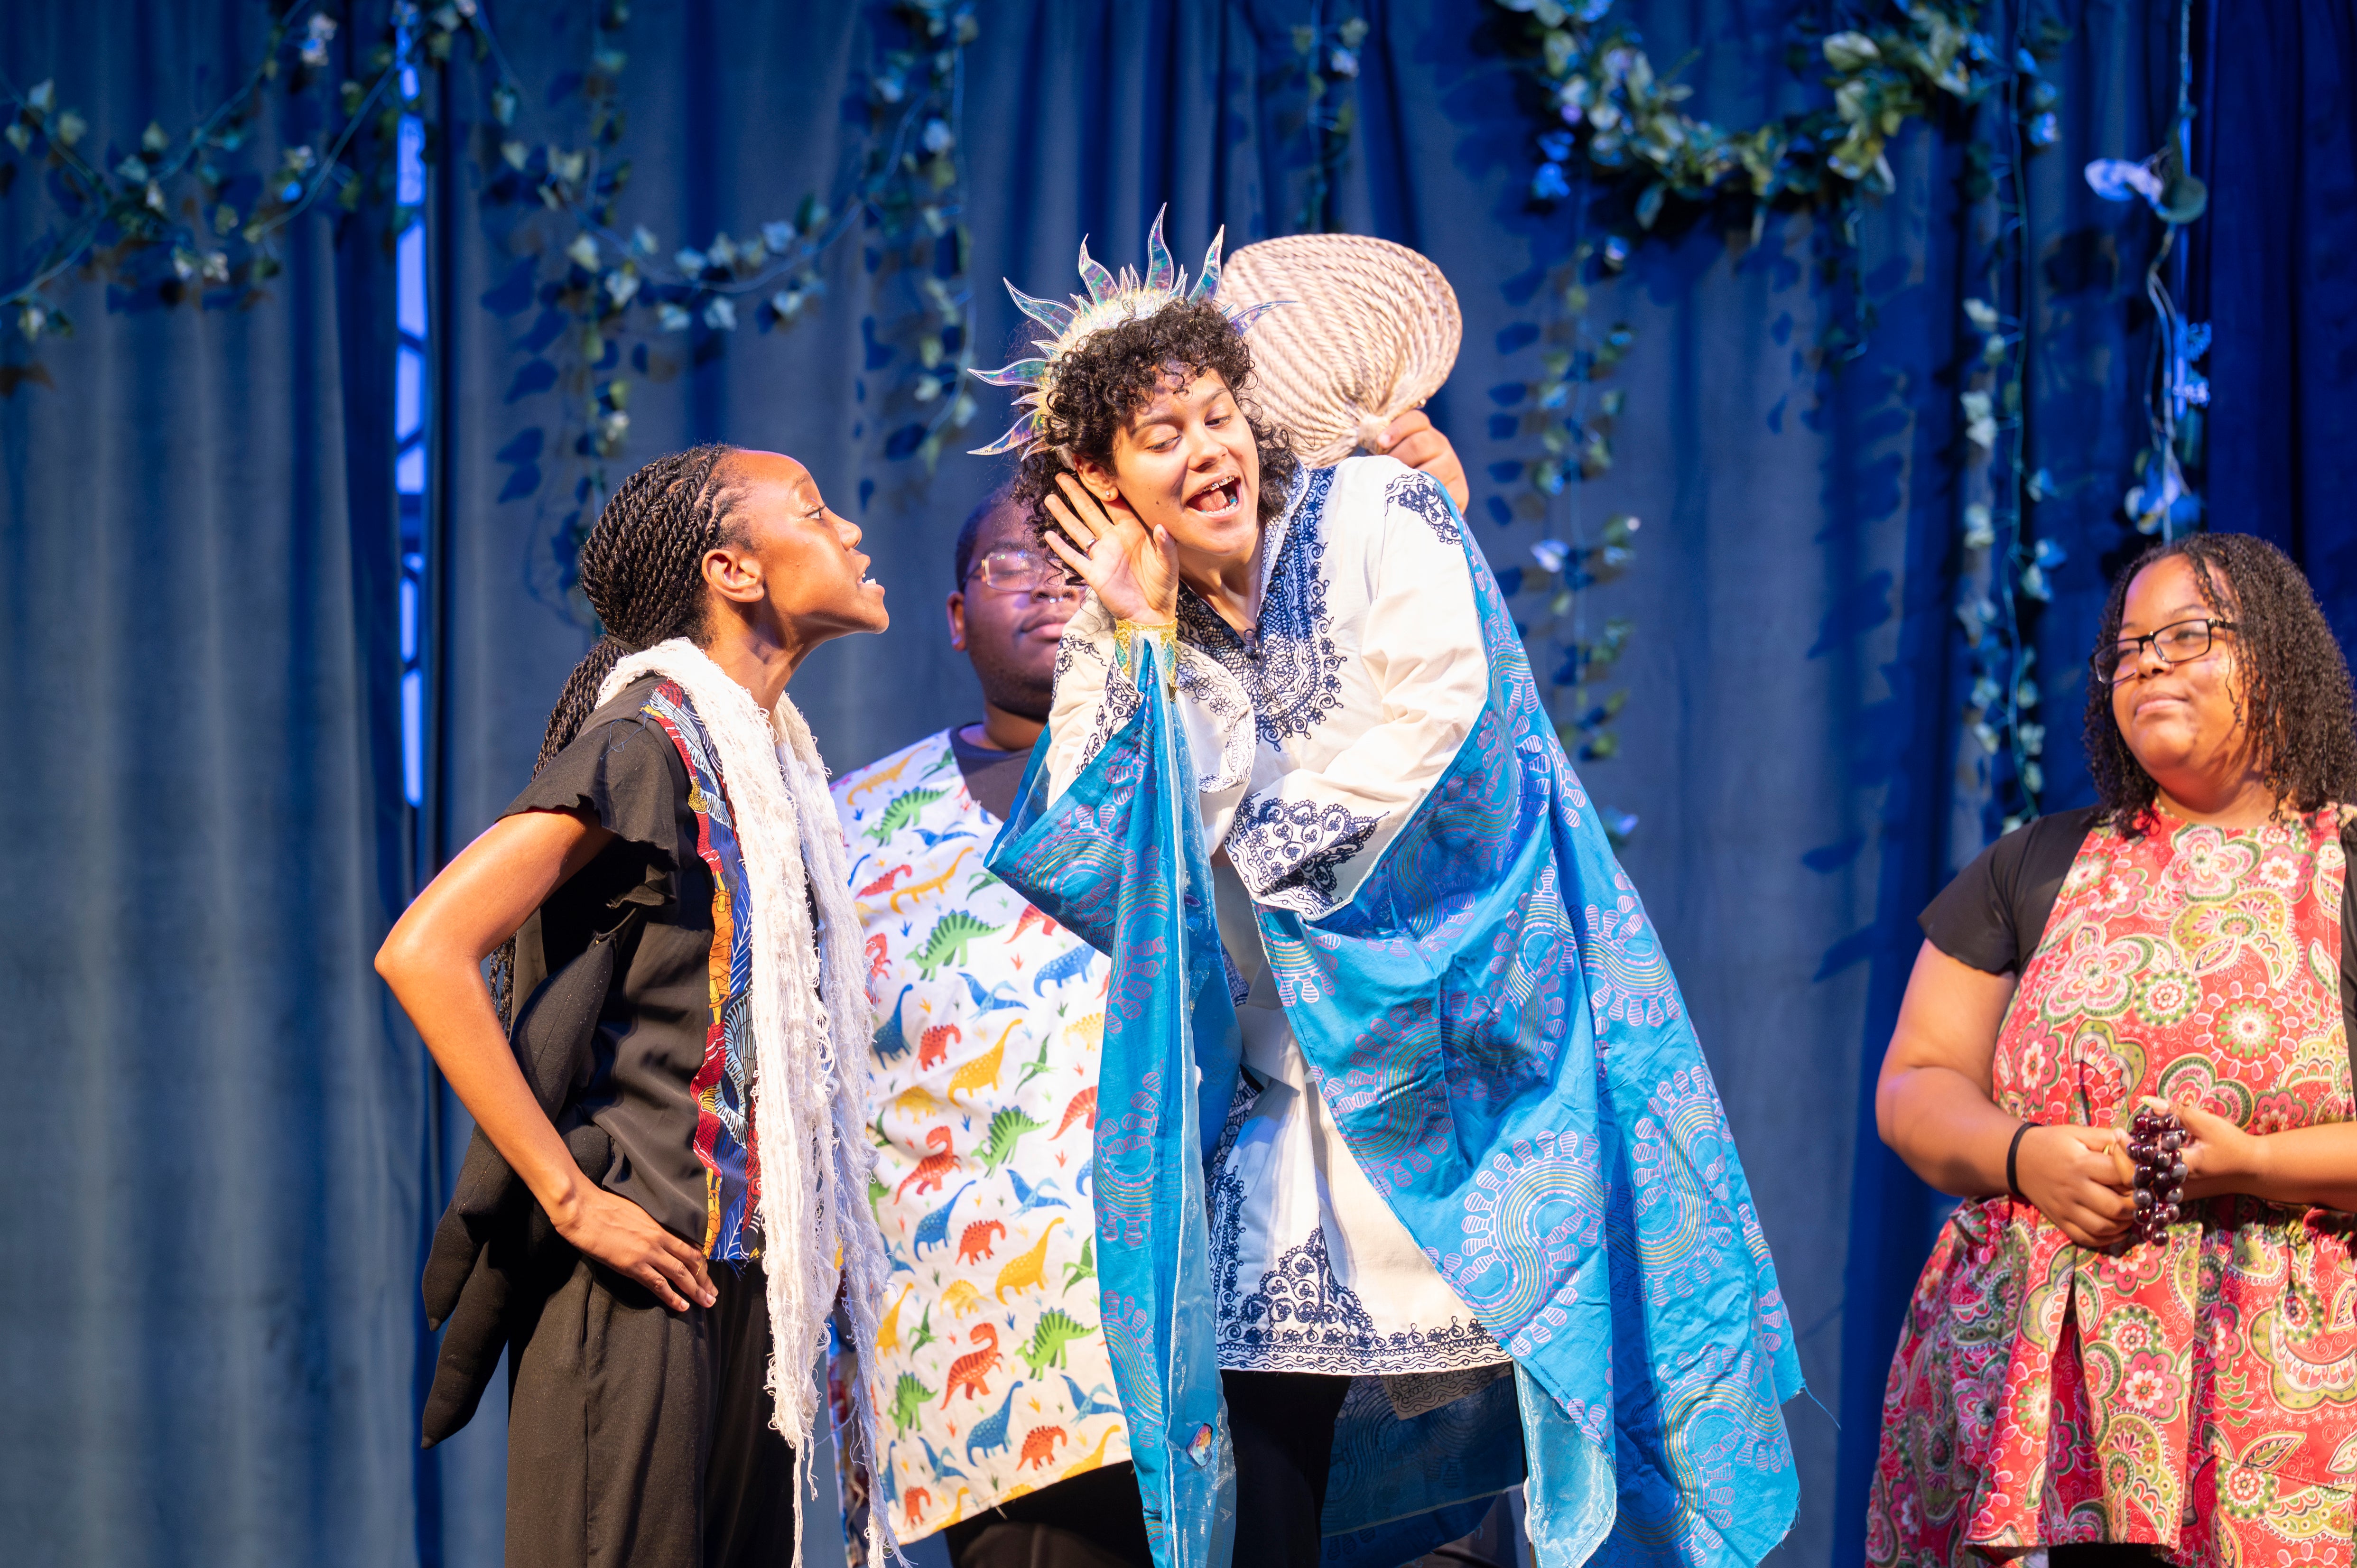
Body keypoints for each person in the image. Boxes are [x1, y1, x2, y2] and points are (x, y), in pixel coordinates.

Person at [971, 217, 1801, 1568]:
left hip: (1475, 1084)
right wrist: (1136, 637)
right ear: (1105, 489)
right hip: (1292, 1109)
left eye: (1218, 414)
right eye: (1164, 437)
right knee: (1270, 1481)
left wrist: (1258, 849)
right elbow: (1099, 850)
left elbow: (1445, 714)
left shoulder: (1373, 510)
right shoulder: (1129, 635)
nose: (1210, 450)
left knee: (1500, 1495)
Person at [830, 408, 1467, 1568]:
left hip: (1244, 1319)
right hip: (1012, 1373)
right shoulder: (854, 821)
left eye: (1074, 548)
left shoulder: (1226, 746)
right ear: (955, 613)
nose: (1049, 580)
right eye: (1009, 559)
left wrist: (1422, 526)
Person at [377, 445, 899, 1568]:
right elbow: (426, 949)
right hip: (634, 1277)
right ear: (734, 570)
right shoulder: (650, 742)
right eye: (812, 512)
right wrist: (570, 1199)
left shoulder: (767, 763)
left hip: (747, 1275)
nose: (851, 533)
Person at [1867, 533, 2357, 1566]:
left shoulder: (2346, 867)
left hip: (2286, 1392)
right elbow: (1918, 1081)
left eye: (2187, 636)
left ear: (2277, 655)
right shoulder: (2036, 866)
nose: (2147, 665)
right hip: (2036, 1396)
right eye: (2128, 649)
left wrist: (2255, 1164)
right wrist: (2020, 1157)